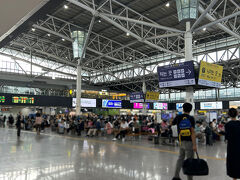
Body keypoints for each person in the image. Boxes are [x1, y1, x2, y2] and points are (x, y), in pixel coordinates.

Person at [171, 103, 197, 180]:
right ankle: (189, 178)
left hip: (181, 141)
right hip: (189, 142)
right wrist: (194, 145)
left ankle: (176, 176)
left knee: (180, 158)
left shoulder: (178, 117)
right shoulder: (191, 118)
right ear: (191, 109)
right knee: (190, 161)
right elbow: (192, 132)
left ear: (183, 109)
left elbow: (171, 123)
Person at [225, 108, 240, 180]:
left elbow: (227, 137)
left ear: (229, 115)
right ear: (237, 114)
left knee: (233, 163)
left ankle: (234, 178)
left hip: (232, 147)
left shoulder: (228, 125)